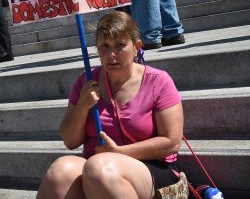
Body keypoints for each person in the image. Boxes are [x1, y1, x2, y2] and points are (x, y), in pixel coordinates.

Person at [37, 11, 184, 198]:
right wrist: (82, 105)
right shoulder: (86, 82)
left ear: (136, 47)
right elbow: (70, 141)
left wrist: (119, 152)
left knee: (100, 169)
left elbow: (171, 142)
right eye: (104, 47)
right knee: (60, 171)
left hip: (151, 166)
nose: (111, 54)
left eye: (120, 45)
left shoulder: (158, 81)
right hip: (96, 168)